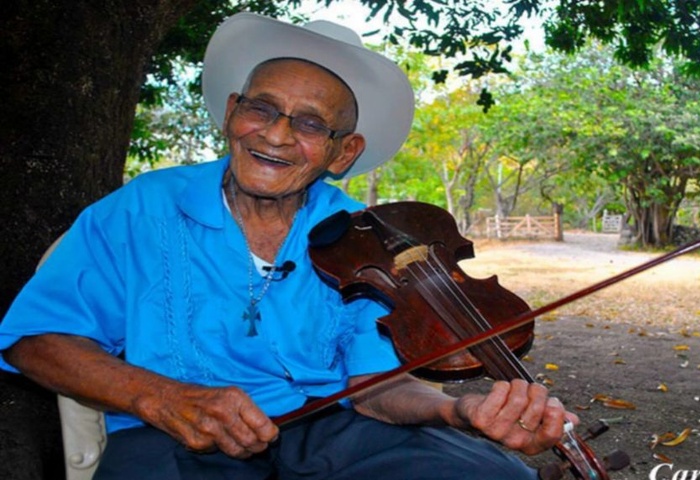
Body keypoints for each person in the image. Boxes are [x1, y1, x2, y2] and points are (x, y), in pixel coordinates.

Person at [0, 13, 576, 480]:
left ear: (343, 153)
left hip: (333, 430)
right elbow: (34, 339)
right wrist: (161, 398)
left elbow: (375, 389)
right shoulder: (143, 207)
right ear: (232, 113)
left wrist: (459, 411)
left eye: (307, 124)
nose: (275, 134)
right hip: (173, 437)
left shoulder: (367, 237)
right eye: (261, 108)